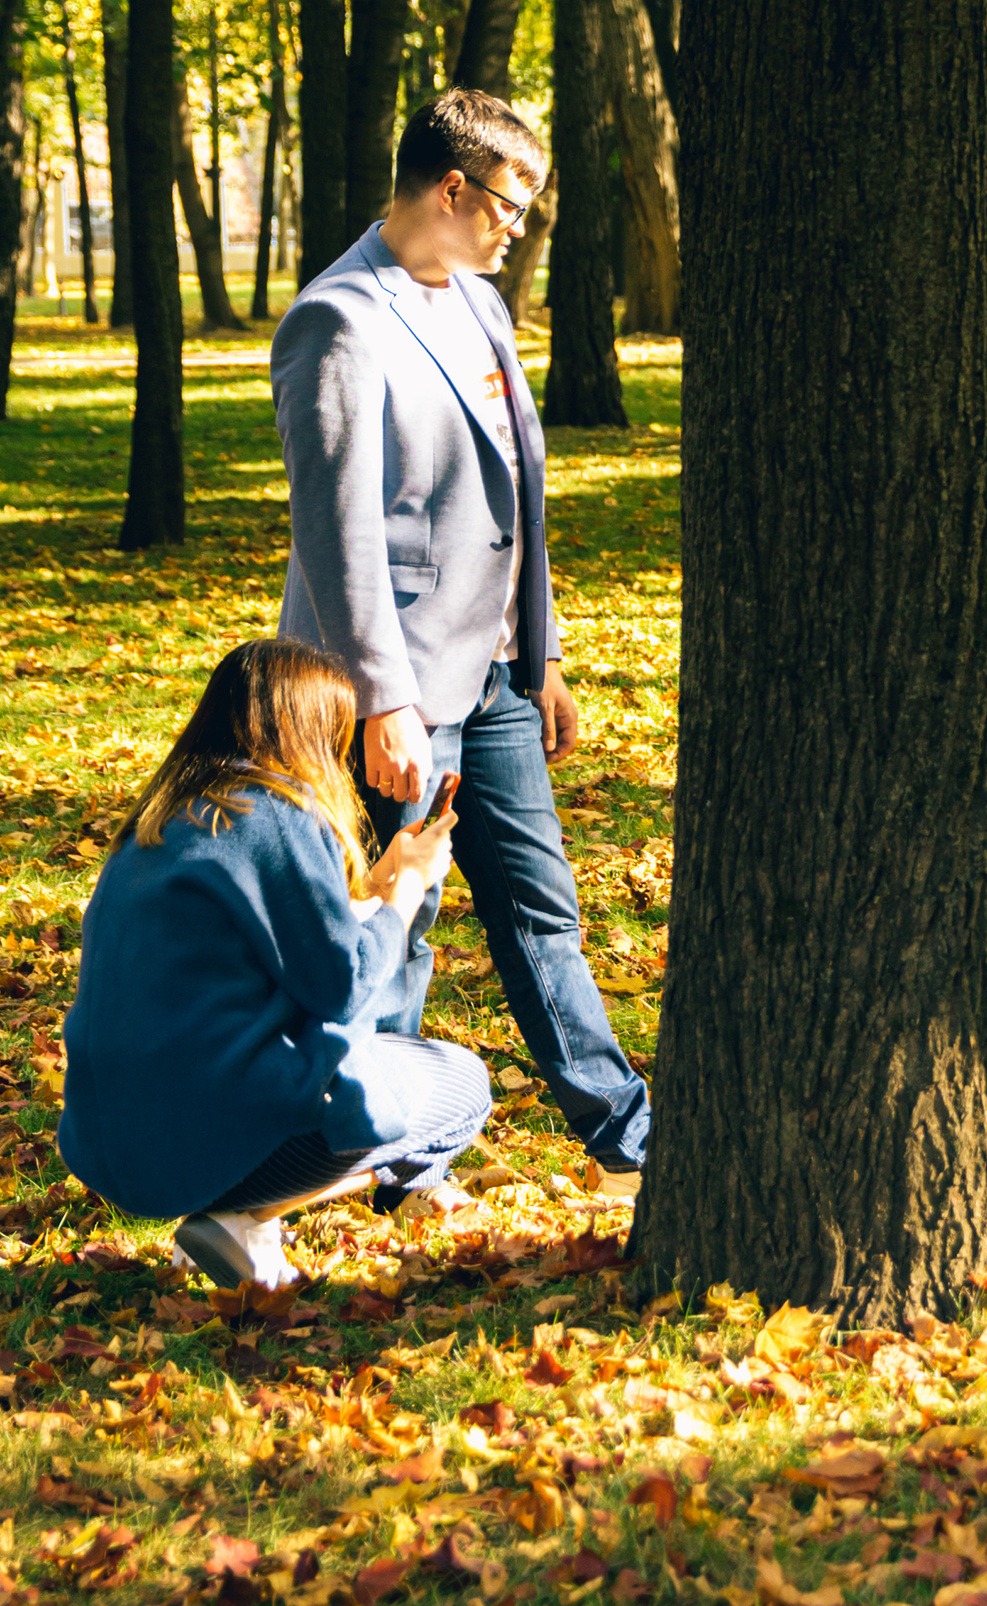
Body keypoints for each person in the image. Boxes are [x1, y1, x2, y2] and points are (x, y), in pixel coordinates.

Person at [271, 89, 647, 1193]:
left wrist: (546, 658)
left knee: (540, 904)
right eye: (510, 204)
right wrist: (384, 701)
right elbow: (336, 535)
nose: (518, 227)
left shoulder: (479, 303)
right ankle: (386, 1149)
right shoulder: (339, 320)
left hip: (494, 682)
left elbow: (514, 497)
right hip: (392, 684)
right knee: (402, 913)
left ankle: (629, 1138)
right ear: (451, 189)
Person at [59, 640, 493, 1288]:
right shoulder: (273, 811)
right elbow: (341, 984)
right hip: (199, 1136)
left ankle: (229, 1207)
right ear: (309, 730)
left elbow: (269, 943)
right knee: (464, 1085)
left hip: (109, 1142)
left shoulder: (162, 817)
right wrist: (407, 892)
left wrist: (376, 884)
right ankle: (244, 1213)